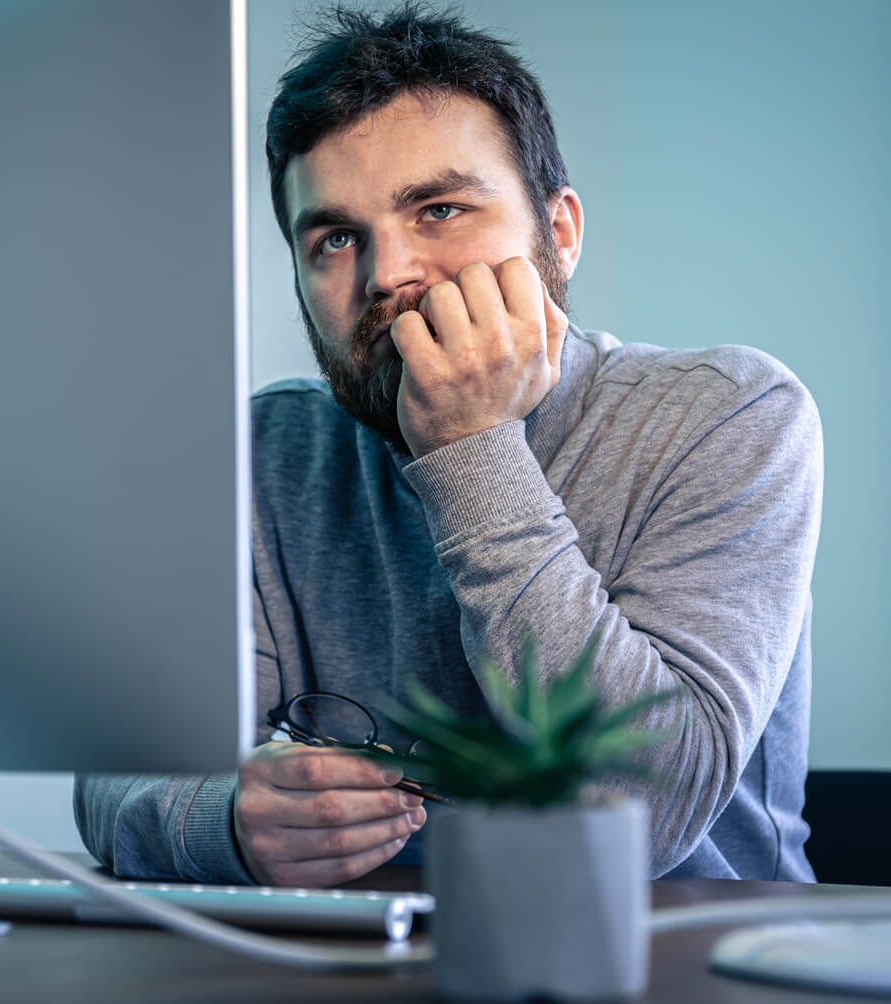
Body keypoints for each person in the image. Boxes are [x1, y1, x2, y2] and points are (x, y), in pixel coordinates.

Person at [74, 3, 822, 888]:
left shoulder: (730, 418)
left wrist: (470, 447)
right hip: (349, 974)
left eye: (439, 208)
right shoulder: (265, 452)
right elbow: (116, 775)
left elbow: (640, 817)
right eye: (336, 237)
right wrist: (227, 820)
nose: (387, 273)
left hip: (679, 974)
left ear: (562, 232)